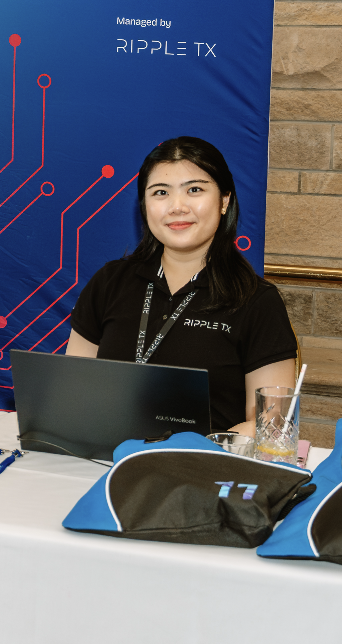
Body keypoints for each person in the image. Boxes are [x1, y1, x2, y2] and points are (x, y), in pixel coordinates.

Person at [66, 135, 297, 431]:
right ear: (144, 205)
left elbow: (273, 422)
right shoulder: (109, 282)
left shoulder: (256, 300)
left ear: (224, 201)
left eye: (194, 190)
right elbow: (72, 392)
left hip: (207, 457)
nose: (177, 207)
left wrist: (200, 449)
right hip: (107, 450)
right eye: (161, 192)